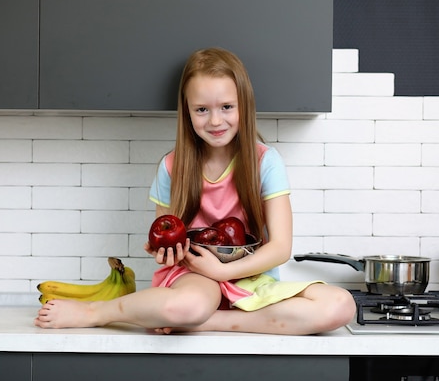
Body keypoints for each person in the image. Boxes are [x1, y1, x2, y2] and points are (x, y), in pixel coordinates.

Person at [34, 47, 356, 334]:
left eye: (227, 107)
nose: (216, 120)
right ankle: (95, 312)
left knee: (341, 306)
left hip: (252, 277)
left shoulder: (265, 162)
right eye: (202, 109)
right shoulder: (171, 167)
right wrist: (166, 251)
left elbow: (280, 248)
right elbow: (166, 238)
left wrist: (224, 270)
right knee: (188, 307)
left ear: (244, 105)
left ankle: (210, 322)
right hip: (196, 276)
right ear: (187, 112)